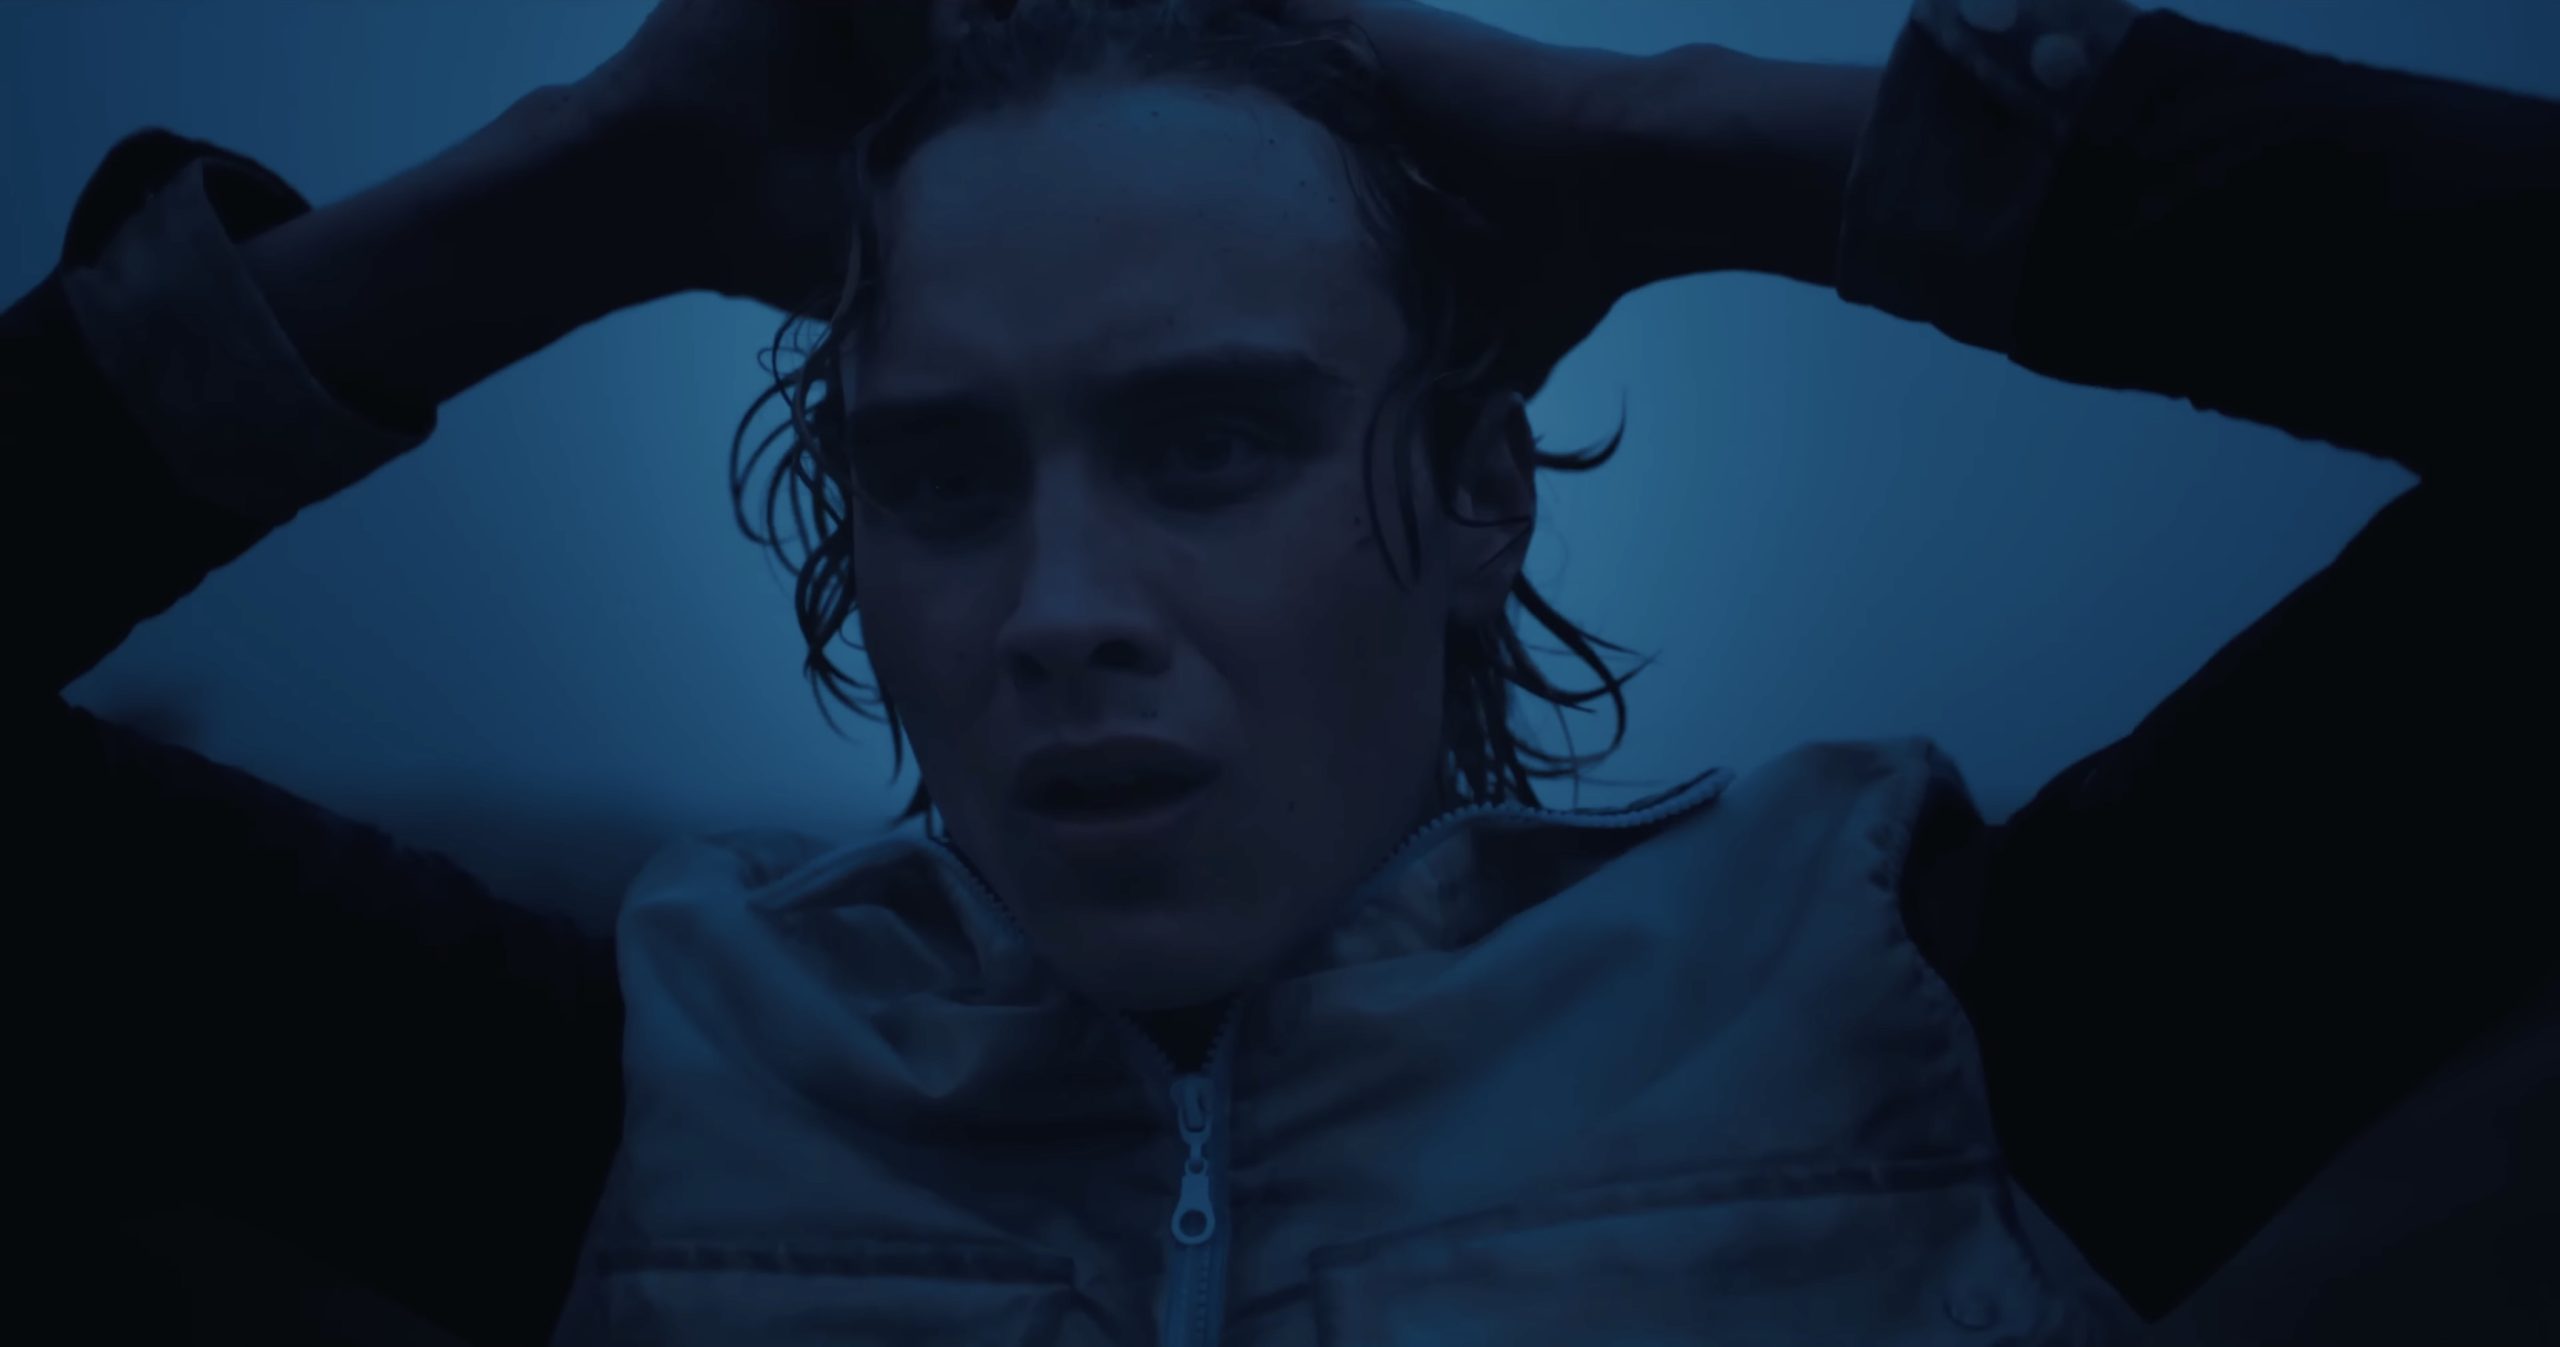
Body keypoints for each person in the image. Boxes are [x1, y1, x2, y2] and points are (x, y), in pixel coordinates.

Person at [13, 0, 2555, 1342]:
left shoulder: (1923, 1037)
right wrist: (568, 188)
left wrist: (1673, 128)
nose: (1056, 604)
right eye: (938, 472)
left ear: (1475, 488)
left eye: (1209, 440)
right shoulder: (639, 1113)